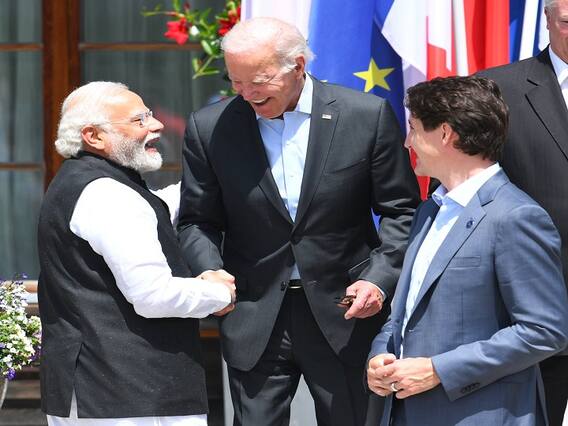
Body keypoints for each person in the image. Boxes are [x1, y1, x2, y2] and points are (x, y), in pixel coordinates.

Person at [177, 17, 421, 426]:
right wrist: (210, 272)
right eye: (237, 82)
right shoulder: (210, 127)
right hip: (254, 313)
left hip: (345, 312)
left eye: (260, 80)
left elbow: (402, 211)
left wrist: (379, 279)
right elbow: (196, 221)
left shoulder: (365, 115)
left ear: (299, 65)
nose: (247, 94)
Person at [366, 76, 568, 426]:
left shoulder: (516, 217)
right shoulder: (429, 210)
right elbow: (405, 310)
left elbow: (544, 330)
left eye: (413, 129)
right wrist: (380, 356)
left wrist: (438, 370)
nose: (406, 141)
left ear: (446, 134)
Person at [37, 81, 236, 425]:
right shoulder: (109, 195)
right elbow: (152, 295)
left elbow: (153, 209)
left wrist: (214, 186)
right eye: (139, 120)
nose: (156, 125)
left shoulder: (82, 181)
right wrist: (219, 293)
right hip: (130, 398)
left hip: (104, 394)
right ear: (93, 136)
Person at [477, 1, 568, 423]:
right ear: (547, 20)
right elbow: (466, 191)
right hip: (534, 306)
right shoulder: (498, 89)